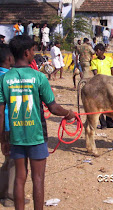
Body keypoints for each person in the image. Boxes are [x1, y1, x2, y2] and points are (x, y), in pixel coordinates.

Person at [0, 35, 75, 210]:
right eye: (33, 50)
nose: (34, 53)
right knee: (38, 179)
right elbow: (54, 107)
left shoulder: (5, 79)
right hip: (36, 135)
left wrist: (3, 139)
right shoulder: (39, 77)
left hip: (16, 136)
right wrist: (68, 113)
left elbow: (1, 114)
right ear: (26, 52)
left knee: (20, 178)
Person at [0, 44, 17, 208]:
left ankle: (3, 191)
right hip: (9, 124)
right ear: (9, 59)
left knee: (8, 159)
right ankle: (10, 196)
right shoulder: (9, 78)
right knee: (13, 160)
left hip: (4, 125)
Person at [91, 44, 113, 129]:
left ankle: (110, 123)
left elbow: (112, 72)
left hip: (110, 84)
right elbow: (95, 74)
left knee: (110, 104)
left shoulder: (109, 59)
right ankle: (103, 123)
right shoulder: (94, 61)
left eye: (97, 51)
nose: (96, 53)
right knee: (100, 104)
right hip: (100, 85)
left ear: (101, 51)